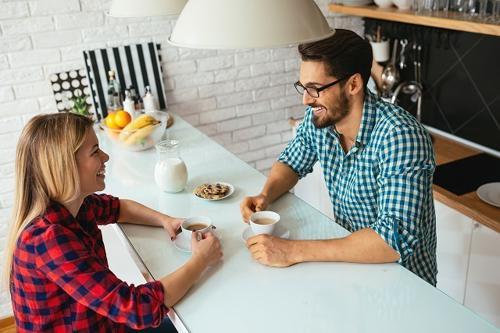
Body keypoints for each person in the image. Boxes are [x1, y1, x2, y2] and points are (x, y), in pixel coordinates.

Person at [240, 29, 437, 286]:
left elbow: (392, 241)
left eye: (315, 89)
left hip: (403, 285)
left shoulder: (400, 136)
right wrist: (265, 195)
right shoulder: (321, 120)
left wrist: (292, 251)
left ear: (353, 84)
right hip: (350, 265)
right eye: (303, 87)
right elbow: (291, 161)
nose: (305, 99)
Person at [3, 112, 222, 332]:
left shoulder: (76, 206)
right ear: (65, 166)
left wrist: (166, 220)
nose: (106, 157)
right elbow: (138, 309)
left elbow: (119, 208)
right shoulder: (48, 240)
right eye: (95, 151)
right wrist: (201, 260)